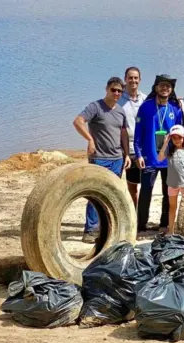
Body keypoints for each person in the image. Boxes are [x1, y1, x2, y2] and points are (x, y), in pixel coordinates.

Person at [73, 76, 130, 243]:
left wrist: (126, 154)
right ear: (107, 89)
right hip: (99, 158)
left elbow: (123, 133)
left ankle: (107, 229)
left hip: (117, 159)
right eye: (113, 90)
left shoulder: (120, 111)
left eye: (120, 91)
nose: (116, 93)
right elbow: (78, 122)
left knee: (112, 193)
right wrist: (90, 139)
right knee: (95, 193)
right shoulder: (95, 107)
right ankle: (90, 230)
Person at [134, 74, 183, 233]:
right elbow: (138, 133)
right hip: (149, 158)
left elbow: (181, 134)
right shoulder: (145, 107)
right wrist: (138, 154)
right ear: (156, 88)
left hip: (169, 158)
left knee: (168, 193)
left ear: (171, 90)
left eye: (168, 86)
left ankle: (164, 224)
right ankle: (141, 225)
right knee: (145, 192)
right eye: (161, 85)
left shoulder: (175, 108)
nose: (165, 88)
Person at [156, 125, 184, 235]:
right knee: (172, 207)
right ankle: (171, 231)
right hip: (172, 184)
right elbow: (160, 158)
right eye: (174, 138)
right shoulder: (169, 150)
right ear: (170, 138)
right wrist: (165, 143)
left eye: (179, 137)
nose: (177, 140)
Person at [119, 67, 146, 208]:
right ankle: (133, 211)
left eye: (136, 78)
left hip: (144, 148)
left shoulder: (145, 99)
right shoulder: (118, 99)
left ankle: (141, 214)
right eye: (130, 78)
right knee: (132, 186)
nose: (133, 80)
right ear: (125, 79)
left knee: (146, 184)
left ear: (140, 80)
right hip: (127, 148)